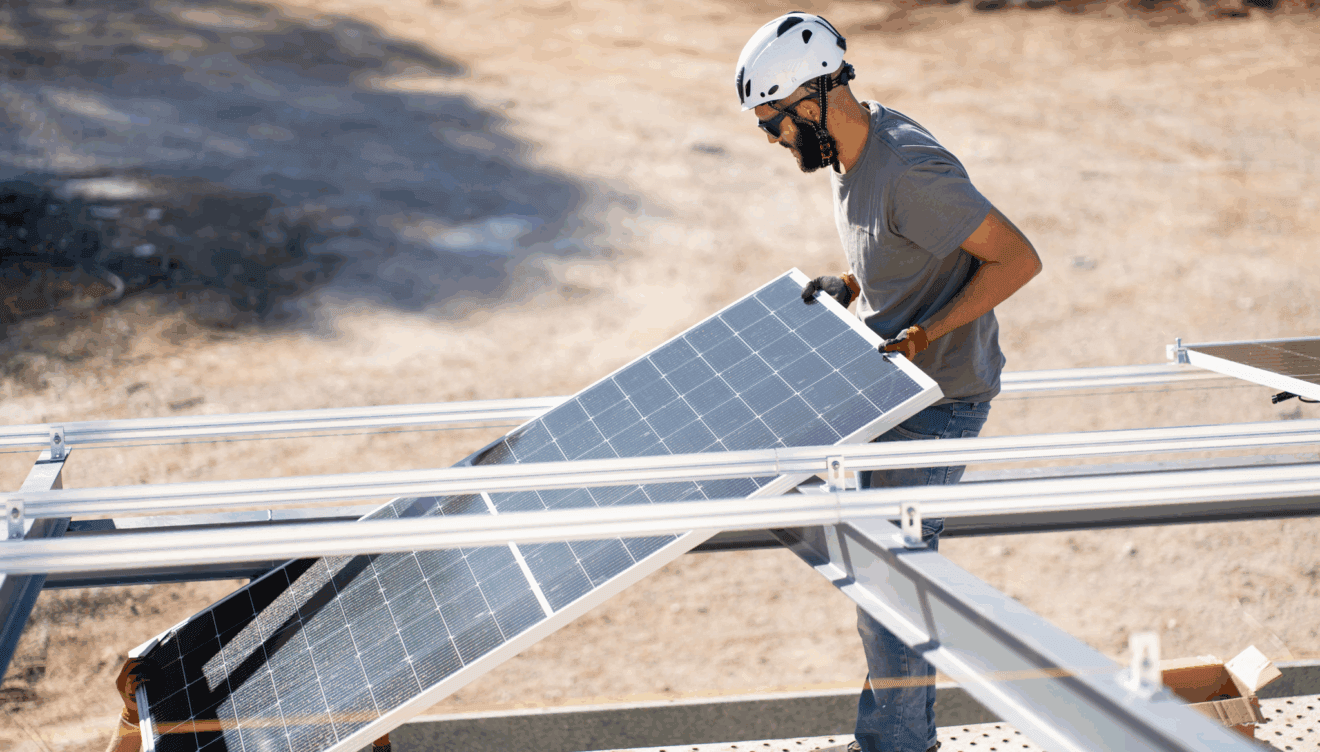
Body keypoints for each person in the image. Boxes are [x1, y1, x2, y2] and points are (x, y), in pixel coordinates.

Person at [735, 13, 1043, 752]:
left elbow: (1019, 260)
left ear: (810, 100)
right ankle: (894, 736)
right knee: (868, 568)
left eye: (771, 123)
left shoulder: (907, 169)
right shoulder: (851, 155)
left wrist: (923, 334)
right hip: (893, 384)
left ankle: (898, 744)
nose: (773, 141)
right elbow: (904, 255)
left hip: (942, 396)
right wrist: (848, 286)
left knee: (889, 580)